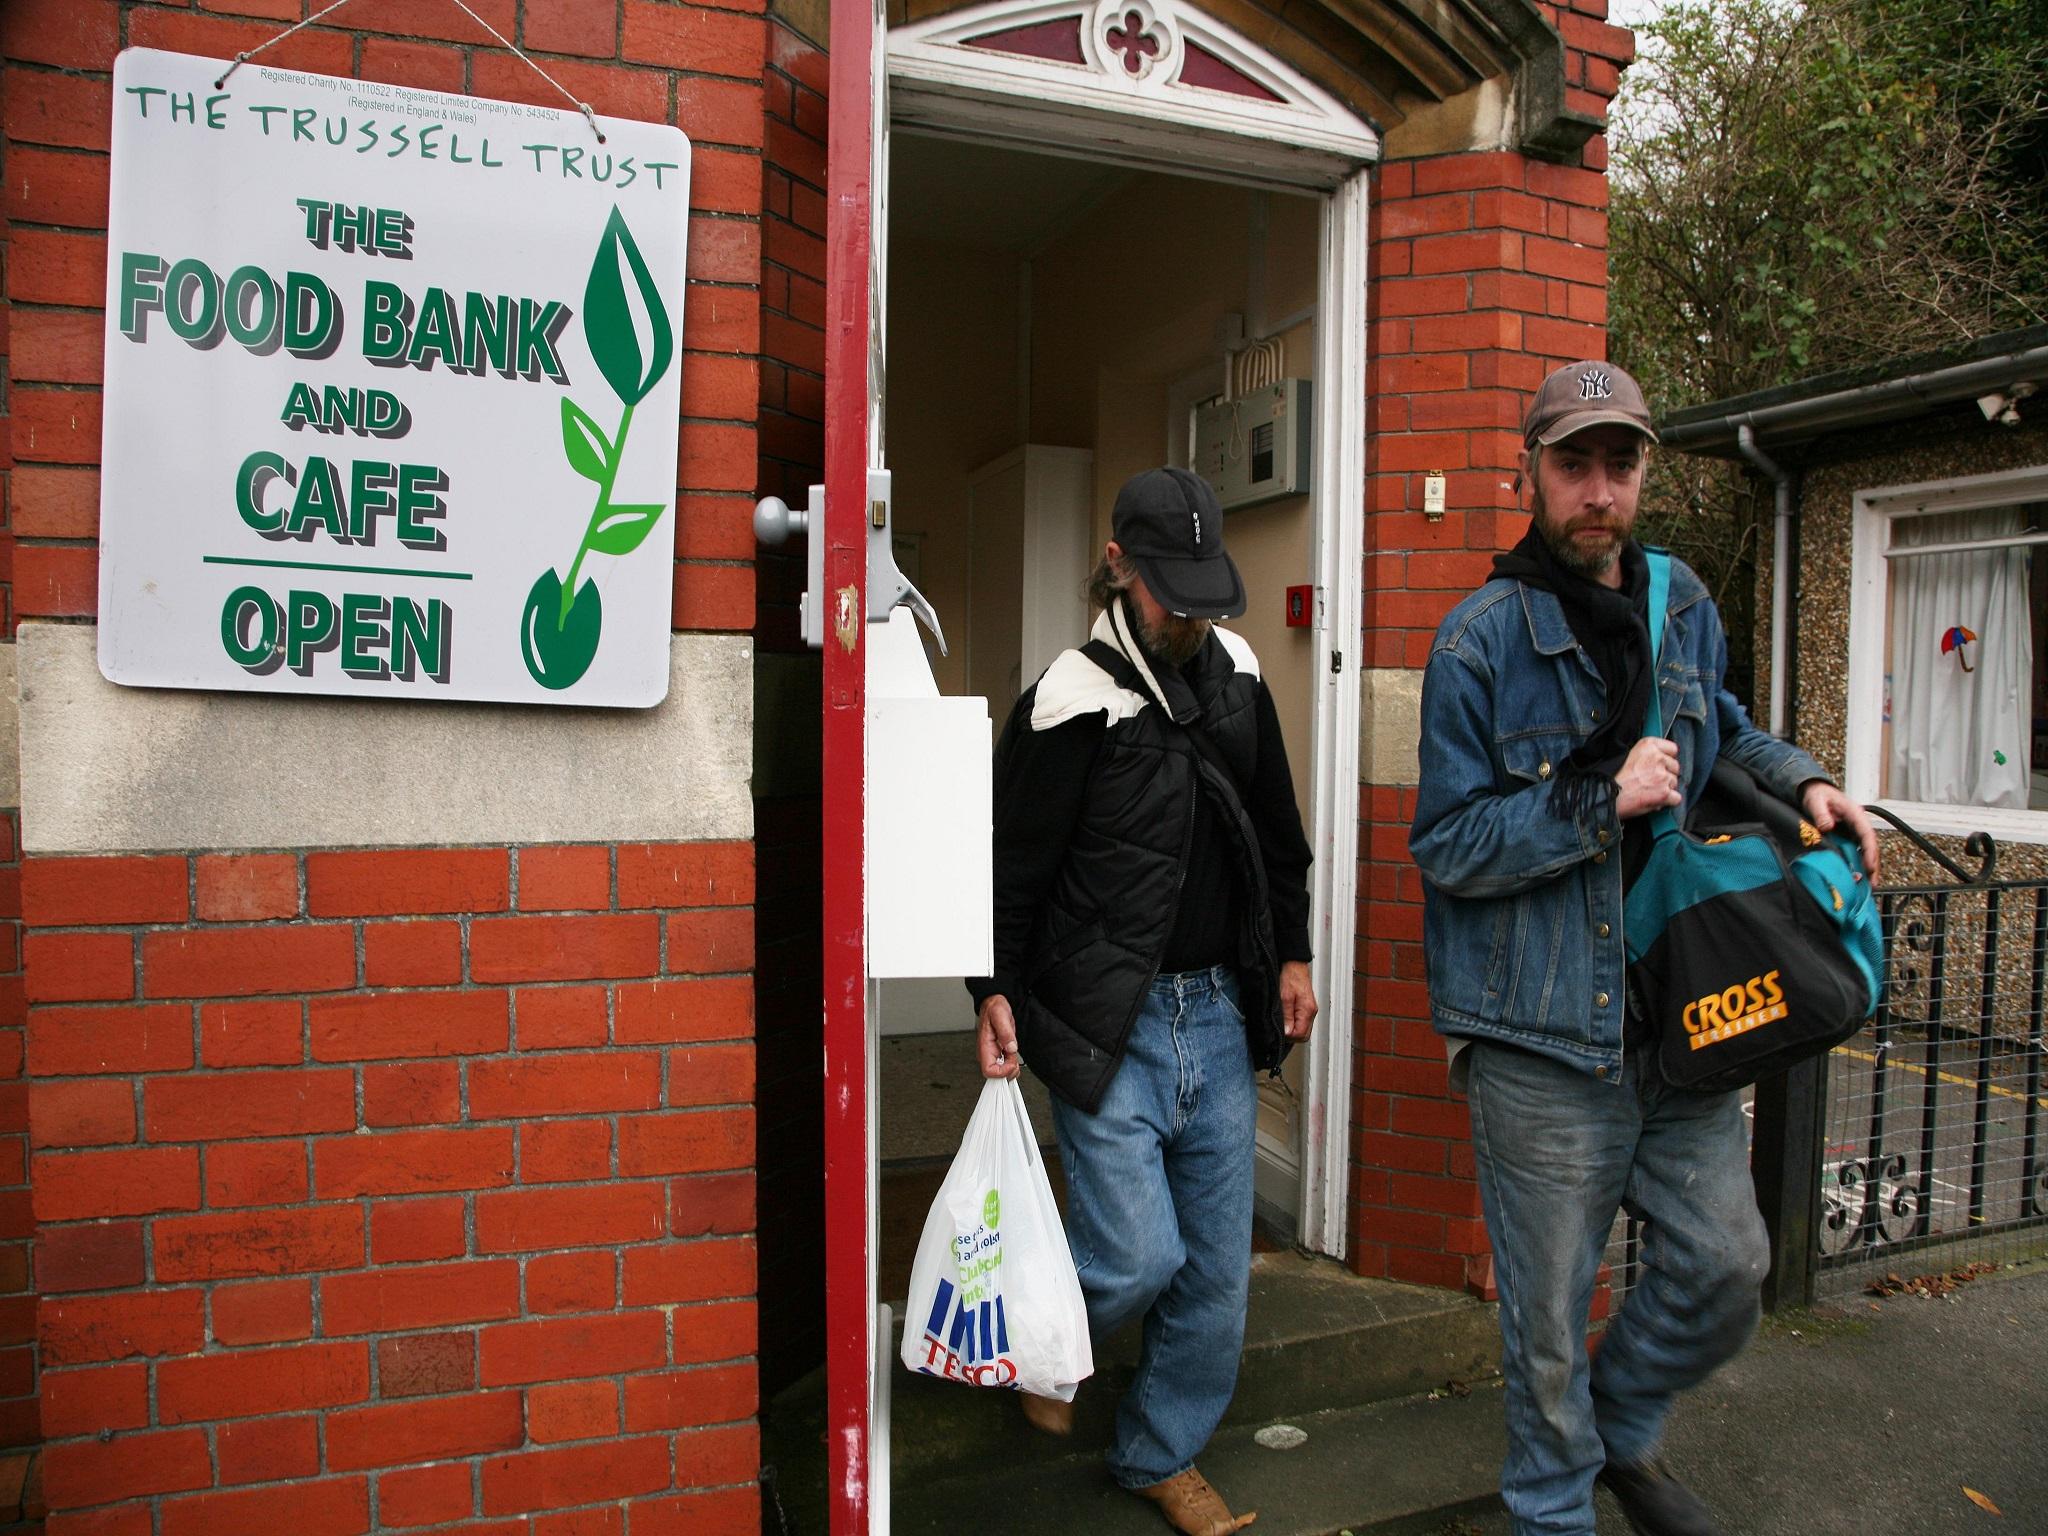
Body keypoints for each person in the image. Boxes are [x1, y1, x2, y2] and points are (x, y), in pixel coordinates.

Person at [1408, 361, 1879, 1536]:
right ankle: (1555, 1506)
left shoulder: (1682, 602)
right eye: (1573, 465)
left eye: (1618, 465)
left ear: (1642, 474)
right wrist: (1592, 801)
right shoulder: (1476, 642)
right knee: (1547, 1327)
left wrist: (1804, 782)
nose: (1597, 490)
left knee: (1726, 1268)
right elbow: (1446, 846)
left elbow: (1718, 727)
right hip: (1534, 1038)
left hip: (1673, 1023)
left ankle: (1618, 1434)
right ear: (1531, 473)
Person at [970, 466, 1318, 1536]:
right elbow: (1009, 868)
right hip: (1103, 1020)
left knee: (1215, 1273)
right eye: (1174, 589)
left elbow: (1274, 834)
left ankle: (1157, 1453)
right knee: (1136, 1254)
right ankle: (1035, 1344)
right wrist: (992, 990)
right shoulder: (1068, 701)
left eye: (1207, 589)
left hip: (1215, 1012)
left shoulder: (1238, 677)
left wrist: (1293, 957)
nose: (1194, 613)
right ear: (1118, 565)